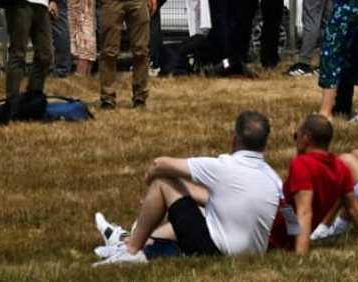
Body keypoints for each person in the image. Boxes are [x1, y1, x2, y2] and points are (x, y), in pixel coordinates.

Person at [92, 111, 282, 265]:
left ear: (235, 138)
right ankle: (131, 241)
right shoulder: (274, 179)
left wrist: (150, 178)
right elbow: (216, 200)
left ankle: (131, 250)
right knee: (201, 209)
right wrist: (184, 190)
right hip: (249, 256)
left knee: (163, 182)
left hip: (215, 252)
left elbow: (160, 164)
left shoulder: (224, 166)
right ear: (264, 144)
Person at [268, 114, 358, 254]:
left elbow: (304, 212)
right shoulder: (341, 168)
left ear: (306, 138)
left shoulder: (302, 164)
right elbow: (355, 212)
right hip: (290, 234)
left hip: (271, 238)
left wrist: (300, 255)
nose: (296, 140)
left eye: (296, 136)